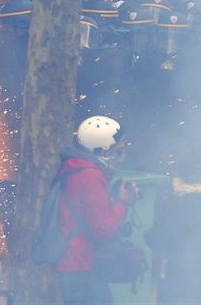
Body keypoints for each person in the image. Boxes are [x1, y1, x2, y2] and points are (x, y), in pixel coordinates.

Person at [56, 116, 137, 305]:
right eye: (118, 151)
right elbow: (103, 228)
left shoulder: (78, 169)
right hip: (79, 265)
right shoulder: (90, 175)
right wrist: (122, 202)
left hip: (73, 263)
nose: (121, 157)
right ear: (101, 150)